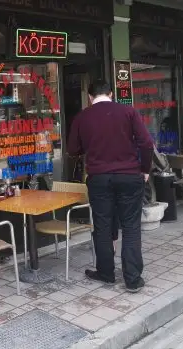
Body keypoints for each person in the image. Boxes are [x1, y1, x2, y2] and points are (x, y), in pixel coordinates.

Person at [67, 81, 153, 293]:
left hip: (99, 178)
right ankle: (132, 279)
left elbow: (72, 149)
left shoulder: (82, 117)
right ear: (111, 94)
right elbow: (146, 143)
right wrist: (145, 170)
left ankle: (106, 273)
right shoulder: (128, 111)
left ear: (89, 97)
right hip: (129, 176)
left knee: (103, 226)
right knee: (131, 227)